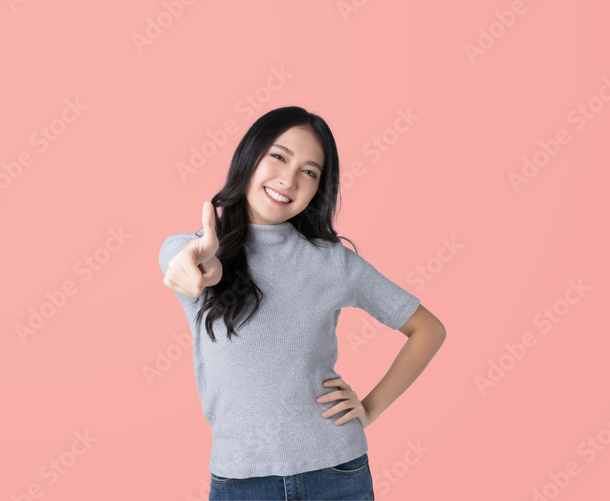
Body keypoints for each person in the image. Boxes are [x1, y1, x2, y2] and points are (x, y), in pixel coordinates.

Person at [159, 106, 446, 500]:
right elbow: (178, 257)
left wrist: (370, 408)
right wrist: (189, 261)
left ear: (318, 189)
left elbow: (428, 330)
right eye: (278, 156)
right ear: (250, 155)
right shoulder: (201, 252)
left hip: (335, 473)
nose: (288, 179)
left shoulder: (333, 262)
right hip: (240, 482)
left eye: (309, 172)